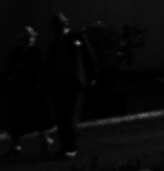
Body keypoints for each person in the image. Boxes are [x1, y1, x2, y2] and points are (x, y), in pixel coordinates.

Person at [43, 13, 96, 158]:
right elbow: (48, 64)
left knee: (69, 115)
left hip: (74, 82)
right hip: (59, 82)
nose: (56, 28)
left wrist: (91, 75)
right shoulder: (54, 42)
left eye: (58, 25)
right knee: (61, 116)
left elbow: (88, 55)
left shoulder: (76, 37)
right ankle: (66, 146)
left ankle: (71, 147)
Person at [4, 25, 54, 158]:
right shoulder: (16, 53)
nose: (29, 40)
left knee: (39, 118)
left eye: (30, 37)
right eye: (27, 38)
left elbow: (41, 69)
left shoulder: (35, 51)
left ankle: (44, 141)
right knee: (16, 119)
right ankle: (16, 145)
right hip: (19, 89)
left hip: (32, 89)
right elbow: (10, 69)